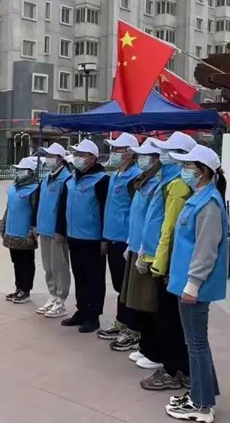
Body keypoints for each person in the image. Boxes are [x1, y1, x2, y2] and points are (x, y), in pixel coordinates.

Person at [165, 144, 229, 423]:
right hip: (186, 282)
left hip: (195, 286)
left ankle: (201, 406)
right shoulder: (200, 198)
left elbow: (206, 248)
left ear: (203, 171)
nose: (184, 171)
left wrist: (193, 283)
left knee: (196, 343)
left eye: (188, 166)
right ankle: (203, 393)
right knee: (196, 342)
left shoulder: (209, 204)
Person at [138, 133, 196, 391]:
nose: (162, 155)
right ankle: (175, 366)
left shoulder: (179, 186)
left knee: (170, 319)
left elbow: (169, 229)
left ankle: (175, 370)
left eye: (168, 151)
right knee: (165, 317)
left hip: (170, 264)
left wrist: (159, 264)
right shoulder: (168, 180)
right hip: (163, 259)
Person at [113, 138, 162, 358]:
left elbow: (154, 221)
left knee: (146, 299)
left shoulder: (157, 184)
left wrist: (144, 246)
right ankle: (143, 341)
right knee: (134, 295)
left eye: (145, 156)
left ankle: (145, 342)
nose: (140, 159)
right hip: (134, 244)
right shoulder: (142, 182)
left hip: (147, 249)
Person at [60, 139, 110, 333]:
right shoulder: (71, 180)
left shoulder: (101, 180)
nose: (77, 158)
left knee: (94, 278)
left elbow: (106, 210)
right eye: (76, 154)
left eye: (82, 154)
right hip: (74, 237)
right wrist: (63, 231)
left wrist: (104, 238)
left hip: (93, 239)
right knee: (79, 276)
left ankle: (93, 316)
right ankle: (81, 311)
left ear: (92, 158)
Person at [96, 133, 141, 341]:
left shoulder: (136, 176)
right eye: (113, 149)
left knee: (128, 286)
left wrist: (132, 239)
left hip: (126, 239)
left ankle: (132, 327)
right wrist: (105, 237)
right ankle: (121, 321)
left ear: (130, 153)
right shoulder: (115, 175)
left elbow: (137, 211)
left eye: (118, 149)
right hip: (112, 237)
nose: (114, 153)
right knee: (119, 284)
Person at [35, 143, 73, 318]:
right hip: (44, 229)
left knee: (60, 266)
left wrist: (60, 230)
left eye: (51, 156)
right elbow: (39, 203)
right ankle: (52, 295)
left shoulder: (66, 179)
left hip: (56, 232)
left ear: (59, 158)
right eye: (47, 156)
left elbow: (64, 208)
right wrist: (36, 225)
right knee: (48, 266)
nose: (47, 159)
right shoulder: (47, 178)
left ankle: (61, 299)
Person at [0, 156, 41, 305]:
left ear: (30, 172)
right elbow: (9, 207)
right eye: (18, 169)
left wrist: (33, 229)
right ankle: (18, 288)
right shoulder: (13, 187)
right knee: (16, 261)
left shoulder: (35, 189)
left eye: (22, 170)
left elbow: (36, 211)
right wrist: (3, 225)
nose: (19, 172)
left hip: (25, 233)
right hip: (12, 231)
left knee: (26, 262)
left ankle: (26, 290)